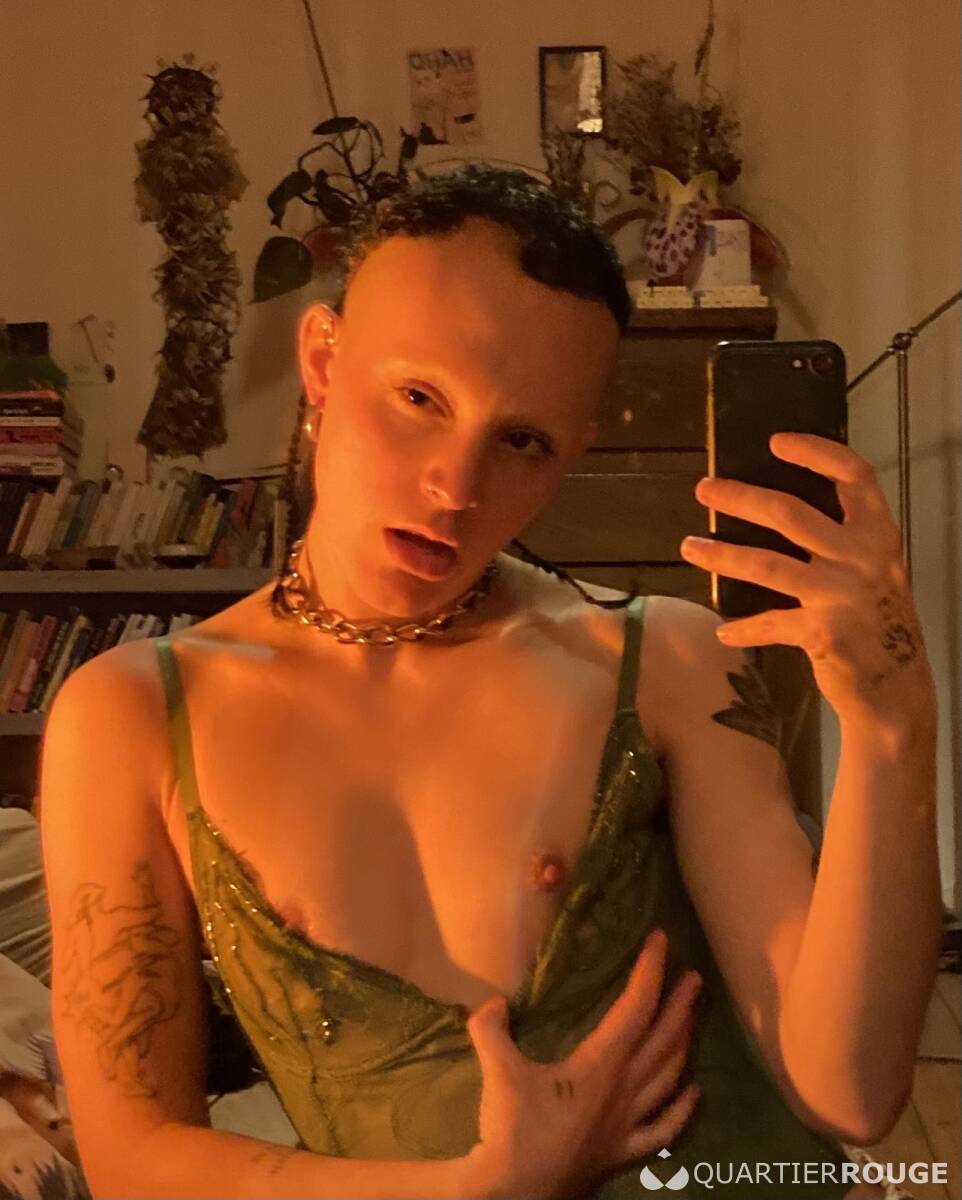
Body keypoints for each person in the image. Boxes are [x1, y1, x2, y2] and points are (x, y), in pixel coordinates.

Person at [39, 165, 941, 1199]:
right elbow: (130, 1159)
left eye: (521, 441)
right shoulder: (130, 715)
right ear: (323, 360)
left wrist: (894, 722)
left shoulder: (664, 661)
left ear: (572, 453)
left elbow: (850, 1092)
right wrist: (484, 1187)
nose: (455, 486)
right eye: (419, 398)